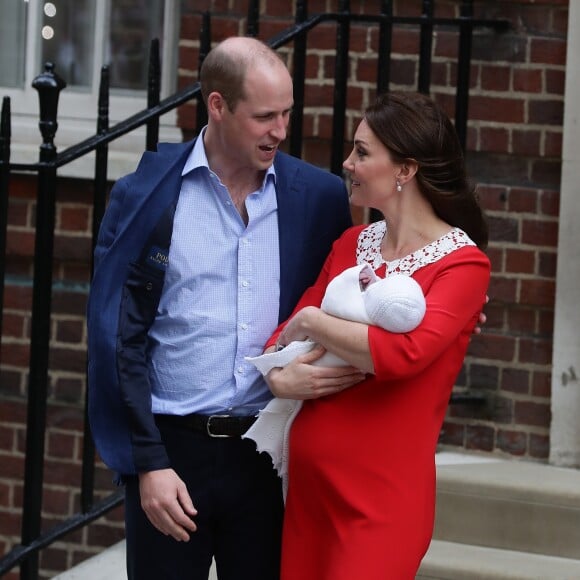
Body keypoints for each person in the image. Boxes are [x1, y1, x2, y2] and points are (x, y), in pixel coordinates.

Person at [86, 36, 362, 580]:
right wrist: (149, 463)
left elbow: (360, 282)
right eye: (264, 116)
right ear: (217, 105)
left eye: (286, 113)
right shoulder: (146, 195)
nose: (280, 131)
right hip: (173, 456)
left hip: (270, 455)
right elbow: (119, 336)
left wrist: (448, 298)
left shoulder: (320, 198)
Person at [261, 91, 491, 579]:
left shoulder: (463, 264)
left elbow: (403, 354)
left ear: (405, 170)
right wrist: (279, 378)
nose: (347, 163)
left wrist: (314, 323)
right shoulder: (350, 244)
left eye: (362, 153)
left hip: (380, 504)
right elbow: (279, 337)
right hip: (309, 492)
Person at [243, 264, 427, 499]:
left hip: (377, 473)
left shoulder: (460, 261)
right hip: (302, 465)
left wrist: (309, 321)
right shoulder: (349, 239)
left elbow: (403, 355)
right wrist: (275, 372)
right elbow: (293, 318)